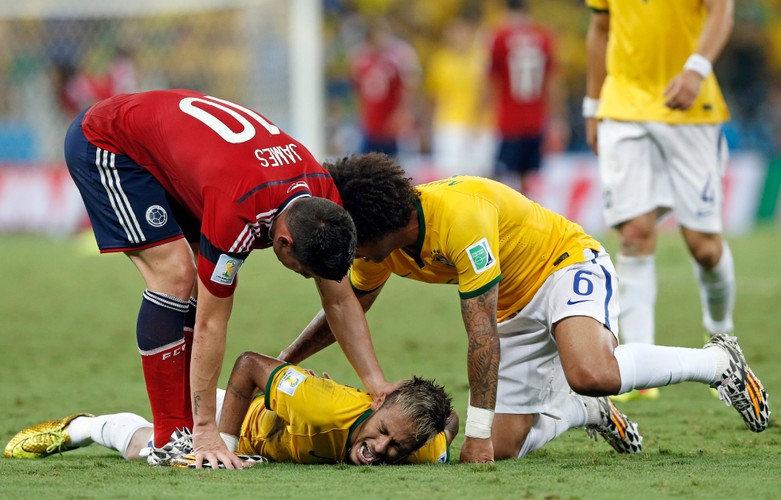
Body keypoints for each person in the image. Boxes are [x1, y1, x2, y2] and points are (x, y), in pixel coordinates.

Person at [279, 154, 769, 464]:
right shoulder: (380, 250)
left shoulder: (459, 218)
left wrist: (474, 433)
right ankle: (584, 413)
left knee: (591, 370)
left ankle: (719, 362)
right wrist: (286, 363)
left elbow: (481, 333)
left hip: (563, 266)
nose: (349, 255)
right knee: (506, 445)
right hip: (510, 310)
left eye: (353, 242)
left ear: (378, 225)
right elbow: (345, 313)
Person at [62, 89, 397, 469]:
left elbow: (338, 299)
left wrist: (376, 383)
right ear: (283, 242)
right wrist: (209, 429)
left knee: (187, 278)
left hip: (182, 157)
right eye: (304, 270)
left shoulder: (323, 197)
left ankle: (179, 426)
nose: (306, 277)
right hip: (108, 140)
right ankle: (174, 435)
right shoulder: (239, 215)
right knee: (175, 274)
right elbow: (210, 322)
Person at [584, 1, 735, 401]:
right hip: (623, 106)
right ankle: (642, 369)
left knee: (703, 246)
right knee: (634, 234)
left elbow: (723, 11)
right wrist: (592, 106)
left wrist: (697, 68)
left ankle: (722, 334)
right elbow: (600, 29)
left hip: (690, 108)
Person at [4, 352, 456, 467]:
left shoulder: (419, 441)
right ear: (376, 403)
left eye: (396, 447)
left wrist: (462, 431)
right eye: (381, 432)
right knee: (153, 449)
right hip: (239, 417)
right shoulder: (323, 406)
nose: (379, 448)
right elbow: (249, 365)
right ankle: (84, 427)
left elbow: (447, 425)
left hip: (261, 435)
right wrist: (223, 444)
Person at [487, 0, 568, 194]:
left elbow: (490, 80)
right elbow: (553, 83)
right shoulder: (544, 37)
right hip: (535, 119)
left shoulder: (499, 37)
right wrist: (557, 117)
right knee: (528, 179)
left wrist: (483, 112)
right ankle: (524, 220)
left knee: (501, 176)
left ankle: (501, 218)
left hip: (508, 119)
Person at [422, 15, 494, 178]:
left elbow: (488, 92)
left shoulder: (481, 60)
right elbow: (432, 97)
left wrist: (480, 119)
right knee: (450, 174)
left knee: (480, 174)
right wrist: (426, 128)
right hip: (449, 124)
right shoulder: (440, 61)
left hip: (480, 125)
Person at [349, 19, 421, 157]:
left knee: (397, 164)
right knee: (368, 163)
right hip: (371, 122)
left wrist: (403, 113)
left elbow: (409, 87)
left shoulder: (401, 56)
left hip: (392, 124)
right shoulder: (360, 58)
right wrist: (360, 113)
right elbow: (357, 89)